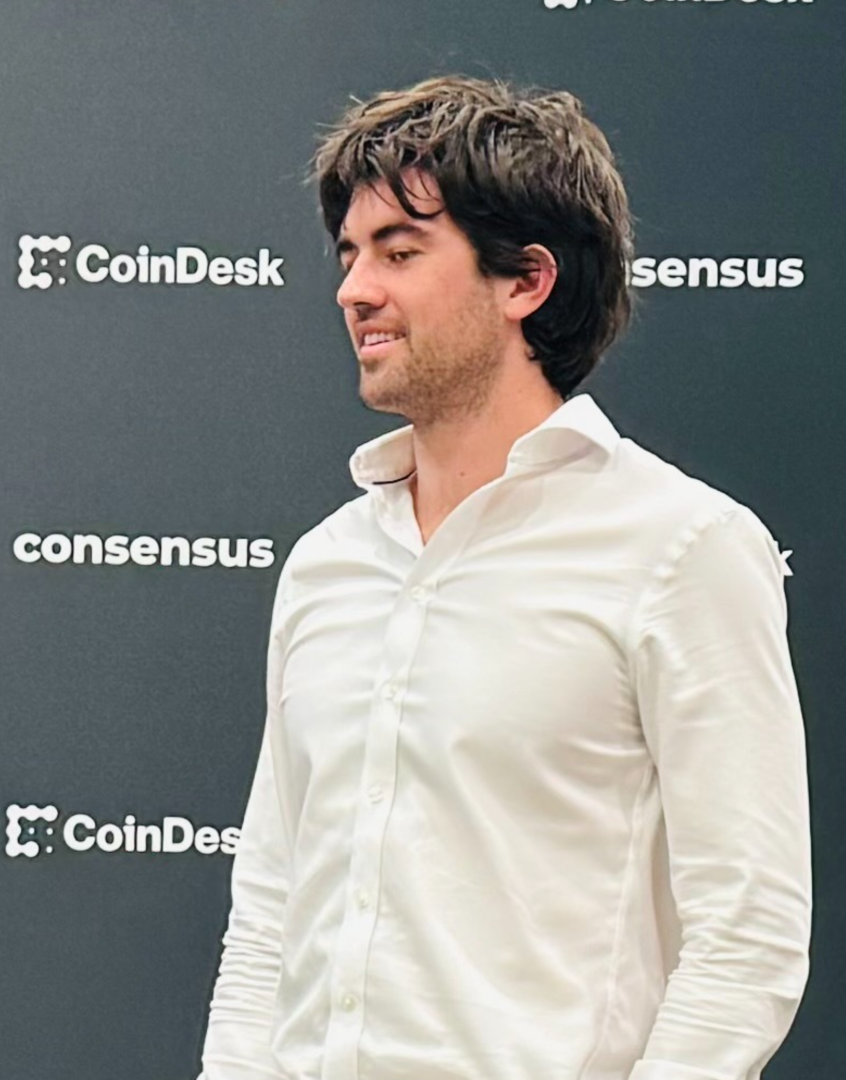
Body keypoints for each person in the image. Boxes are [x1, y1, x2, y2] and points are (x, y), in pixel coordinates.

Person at [198, 77, 809, 1080]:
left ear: (526, 280)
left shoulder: (683, 546)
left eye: (399, 251)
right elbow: (271, 906)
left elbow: (748, 940)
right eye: (350, 255)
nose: (354, 290)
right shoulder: (327, 564)